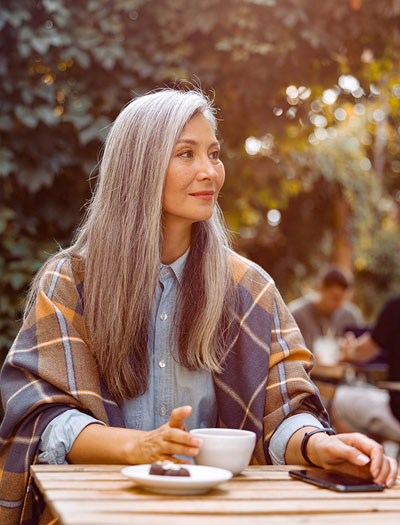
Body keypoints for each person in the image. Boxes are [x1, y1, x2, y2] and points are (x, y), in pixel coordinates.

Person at [0, 89, 396, 525]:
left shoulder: (249, 288)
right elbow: (44, 416)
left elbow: (284, 412)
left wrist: (318, 445)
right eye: (186, 154)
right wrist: (136, 446)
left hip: (219, 512)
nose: (210, 172)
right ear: (139, 167)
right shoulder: (70, 281)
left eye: (213, 154)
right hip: (96, 509)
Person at [333, 296, 400, 441]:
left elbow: (363, 352)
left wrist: (348, 350)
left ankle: (365, 460)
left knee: (337, 400)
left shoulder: (396, 308)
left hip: (397, 414)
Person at [289, 266, 363, 354]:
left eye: (344, 299)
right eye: (335, 298)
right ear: (320, 288)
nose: (340, 304)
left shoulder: (350, 316)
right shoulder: (296, 315)